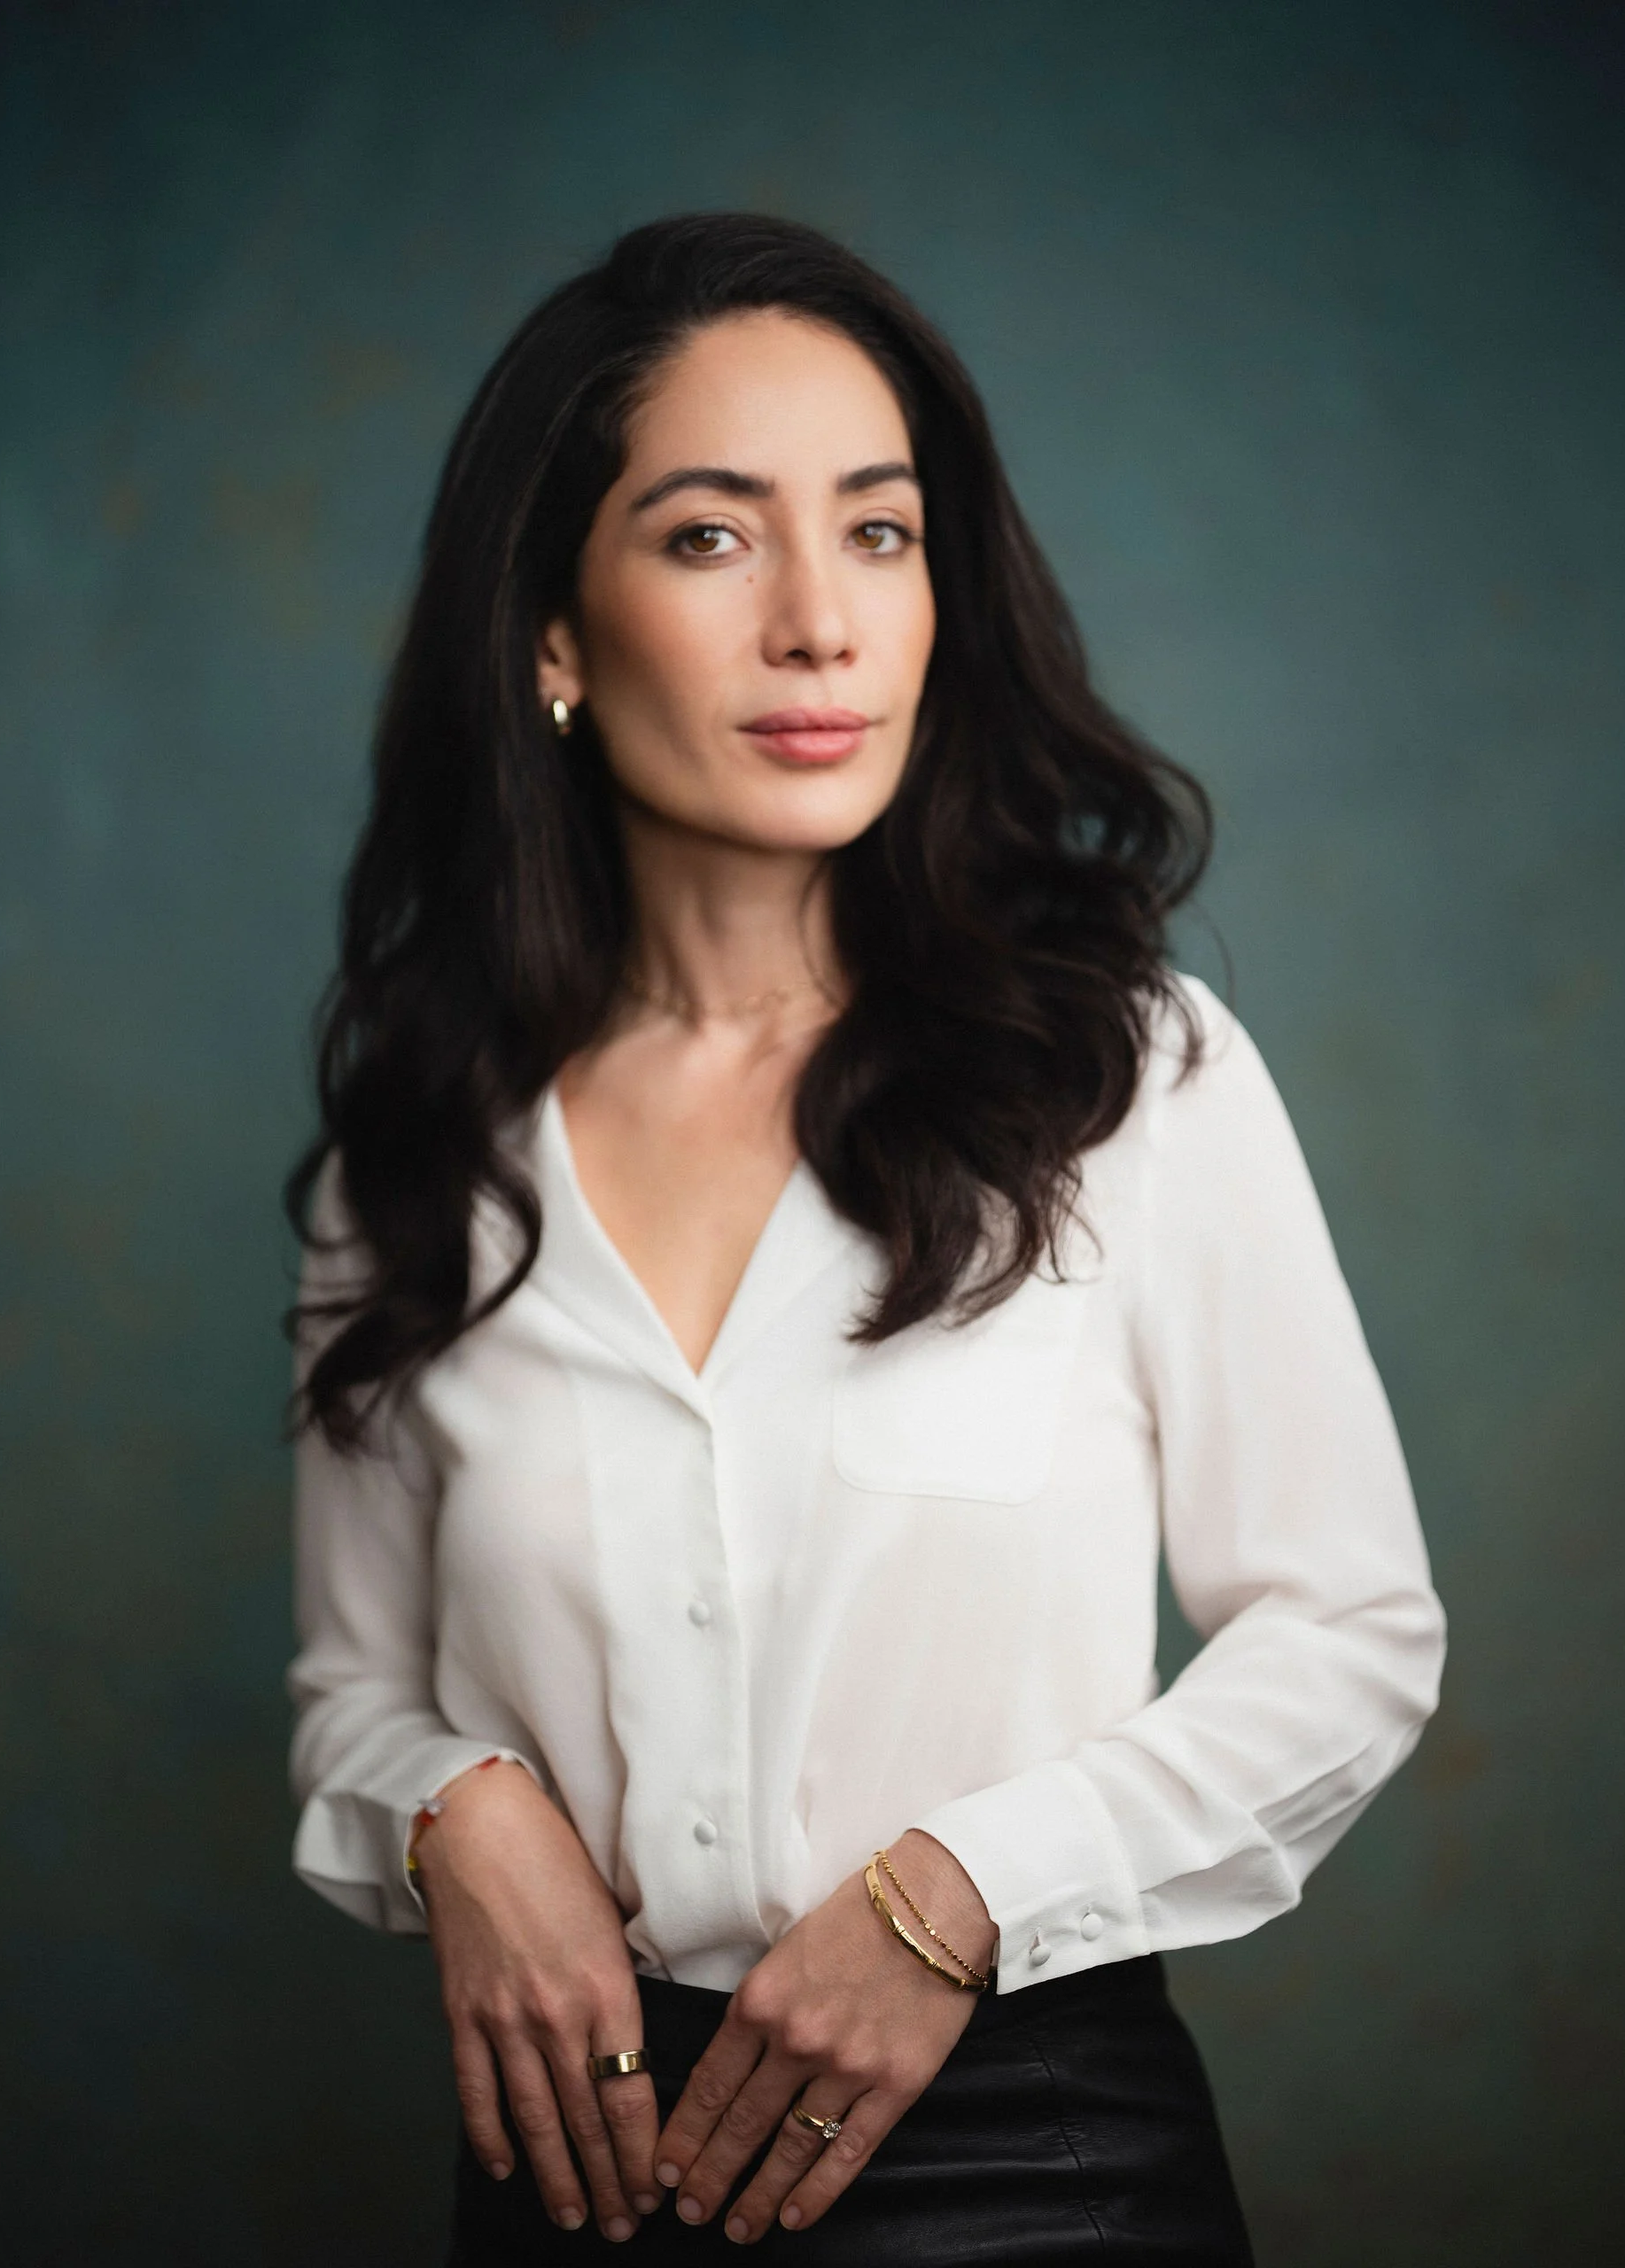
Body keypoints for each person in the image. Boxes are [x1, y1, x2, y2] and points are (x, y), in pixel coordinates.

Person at [283, 213, 1445, 2264]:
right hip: (570, 2179)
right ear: (553, 633)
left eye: (880, 533)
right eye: (712, 537)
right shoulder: (413, 1152)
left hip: (1035, 2168)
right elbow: (353, 1689)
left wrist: (957, 1891)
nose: (819, 621)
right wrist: (451, 1807)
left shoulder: (1127, 1075)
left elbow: (1348, 1633)